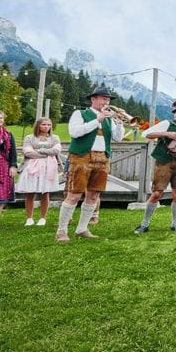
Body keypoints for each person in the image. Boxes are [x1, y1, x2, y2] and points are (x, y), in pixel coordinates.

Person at [55, 86, 125, 242]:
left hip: (102, 158)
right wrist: (98, 119)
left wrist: (119, 123)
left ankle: (82, 229)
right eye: (103, 98)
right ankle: (61, 231)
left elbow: (118, 138)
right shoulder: (79, 114)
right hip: (81, 157)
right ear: (93, 99)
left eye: (108, 99)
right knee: (74, 194)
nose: (106, 101)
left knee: (93, 195)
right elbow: (75, 132)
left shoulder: (109, 119)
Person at [134, 99, 176, 234]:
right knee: (157, 192)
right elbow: (146, 134)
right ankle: (144, 224)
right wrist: (167, 134)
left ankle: (175, 224)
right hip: (165, 162)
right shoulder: (167, 124)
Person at [17, 117, 62, 227]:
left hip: (48, 167)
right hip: (32, 167)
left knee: (45, 192)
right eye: (44, 125)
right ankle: (29, 218)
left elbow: (56, 150)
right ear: (38, 125)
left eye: (48, 125)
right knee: (30, 193)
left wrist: (39, 150)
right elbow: (28, 152)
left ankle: (42, 218)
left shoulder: (54, 138)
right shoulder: (29, 138)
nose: (46, 127)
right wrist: (47, 153)